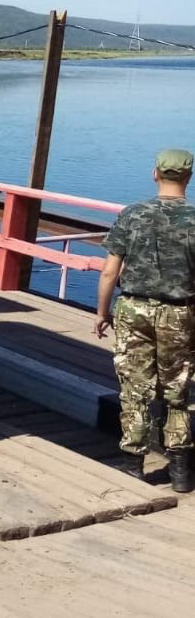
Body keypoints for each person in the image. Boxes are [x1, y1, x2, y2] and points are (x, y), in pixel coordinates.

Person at [95, 148, 195, 492]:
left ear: (156, 174)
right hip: (180, 313)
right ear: (188, 177)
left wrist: (102, 312)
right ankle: (181, 471)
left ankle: (133, 466)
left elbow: (110, 272)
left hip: (133, 309)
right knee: (178, 390)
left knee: (135, 389)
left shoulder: (132, 214)